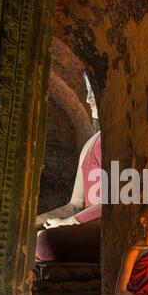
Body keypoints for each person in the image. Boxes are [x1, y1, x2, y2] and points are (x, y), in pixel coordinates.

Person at [35, 72, 102, 263]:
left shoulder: (121, 140)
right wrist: (31, 223)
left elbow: (113, 204)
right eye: (87, 91)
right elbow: (74, 205)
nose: (88, 99)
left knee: (45, 241)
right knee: (28, 236)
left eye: (93, 90)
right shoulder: (89, 145)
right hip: (81, 224)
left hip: (105, 227)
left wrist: (68, 223)